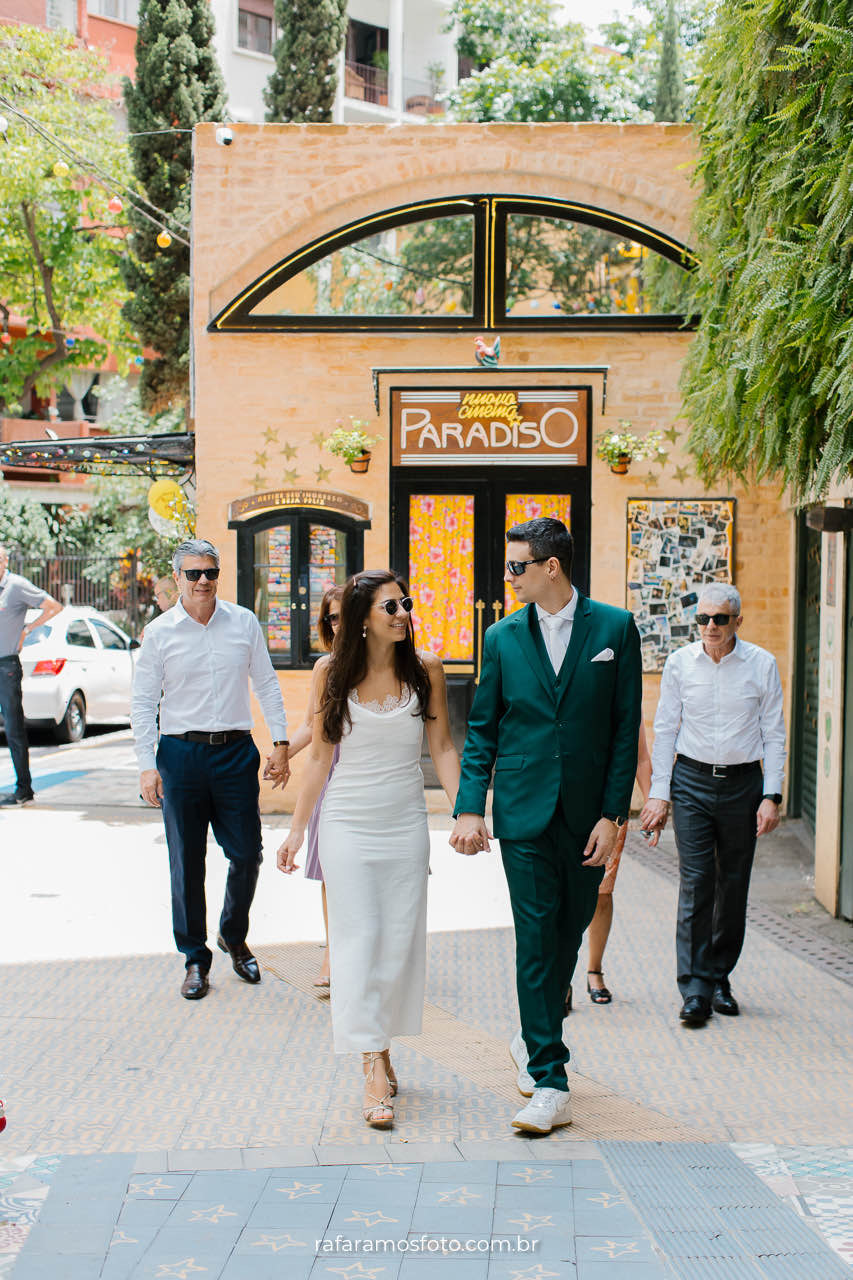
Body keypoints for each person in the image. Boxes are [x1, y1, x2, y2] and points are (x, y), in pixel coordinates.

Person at [450, 517, 642, 1134]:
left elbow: (623, 730)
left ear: (550, 567)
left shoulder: (614, 628)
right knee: (535, 937)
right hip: (525, 812)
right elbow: (482, 728)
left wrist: (615, 816)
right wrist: (470, 805)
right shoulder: (502, 638)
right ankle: (550, 1077)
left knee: (570, 929)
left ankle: (533, 1033)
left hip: (590, 815)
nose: (509, 576)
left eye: (517, 566)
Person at [276, 570, 460, 1129]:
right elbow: (319, 759)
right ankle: (371, 1065)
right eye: (391, 607)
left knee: (396, 942)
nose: (403, 613)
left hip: (404, 823)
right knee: (357, 941)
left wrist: (467, 810)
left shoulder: (425, 670)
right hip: (347, 825)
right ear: (362, 618)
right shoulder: (331, 672)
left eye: (404, 604)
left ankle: (379, 1043)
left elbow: (444, 747)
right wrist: (296, 831)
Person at [131, 538, 290, 1000]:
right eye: (194, 574)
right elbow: (143, 704)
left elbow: (266, 683)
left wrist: (279, 742)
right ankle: (195, 958)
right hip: (181, 756)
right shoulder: (160, 633)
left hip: (236, 752)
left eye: (210, 573)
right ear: (177, 577)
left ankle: (233, 935)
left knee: (247, 854)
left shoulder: (242, 622)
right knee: (186, 861)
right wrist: (146, 765)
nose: (203, 581)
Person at [640, 582, 786, 1028]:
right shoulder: (681, 664)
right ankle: (695, 989)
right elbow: (665, 730)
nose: (709, 627)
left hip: (744, 785)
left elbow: (774, 734)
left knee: (733, 885)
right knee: (697, 882)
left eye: (719, 619)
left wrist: (771, 795)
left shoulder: (762, 665)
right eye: (702, 619)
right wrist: (659, 794)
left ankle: (720, 977)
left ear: (737, 621)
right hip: (692, 783)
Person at [567, 721, 661, 1011]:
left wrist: (650, 804)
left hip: (609, 811)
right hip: (563, 803)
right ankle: (560, 980)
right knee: (562, 895)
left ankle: (594, 970)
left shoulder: (621, 690)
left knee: (602, 893)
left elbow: (641, 756)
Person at [283, 584, 344, 990]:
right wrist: (282, 753)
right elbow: (311, 723)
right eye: (332, 618)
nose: (339, 624)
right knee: (330, 872)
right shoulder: (327, 667)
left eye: (345, 614)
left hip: (369, 772)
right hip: (330, 770)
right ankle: (333, 953)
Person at [0, 544, 62, 807]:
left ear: (3, 561)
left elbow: (53, 606)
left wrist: (27, 629)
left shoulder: (15, 586)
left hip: (6, 666)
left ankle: (24, 789)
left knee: (13, 728)